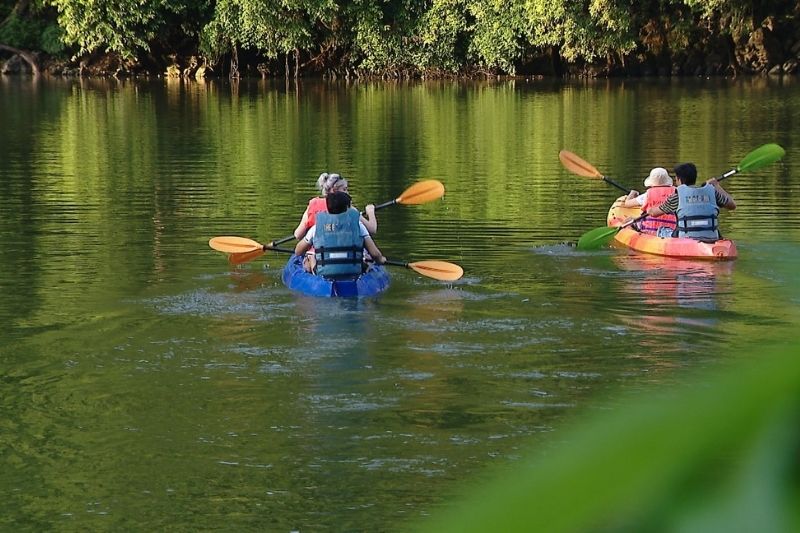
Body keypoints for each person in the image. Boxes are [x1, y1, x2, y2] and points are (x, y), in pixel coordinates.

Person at [295, 191, 386, 278]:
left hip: (324, 273)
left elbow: (298, 251)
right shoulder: (358, 225)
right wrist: (381, 260)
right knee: (367, 260)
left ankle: (312, 261)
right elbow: (375, 254)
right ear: (347, 208)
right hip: (353, 272)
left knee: (311, 256)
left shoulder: (317, 227)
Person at [647, 162, 736, 240]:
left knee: (662, 230)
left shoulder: (677, 196)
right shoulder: (712, 192)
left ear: (679, 179)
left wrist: (648, 209)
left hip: (684, 238)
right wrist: (717, 186)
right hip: (712, 237)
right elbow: (732, 205)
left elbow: (654, 213)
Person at [293, 172, 377, 241]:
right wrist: (370, 212)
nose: (347, 193)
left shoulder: (313, 205)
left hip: (318, 253)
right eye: (344, 189)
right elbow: (372, 230)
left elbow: (298, 235)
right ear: (334, 190)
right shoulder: (347, 207)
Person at [622, 167, 677, 237]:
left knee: (629, 220)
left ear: (651, 183)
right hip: (671, 230)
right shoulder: (676, 193)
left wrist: (632, 193)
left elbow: (627, 204)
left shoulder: (647, 195)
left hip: (650, 229)